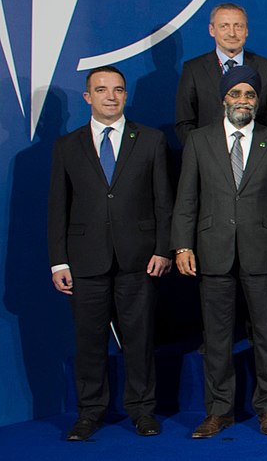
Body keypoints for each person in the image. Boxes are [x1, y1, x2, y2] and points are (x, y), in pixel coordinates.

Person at [49, 66, 173, 441]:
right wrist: (59, 260)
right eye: (101, 90)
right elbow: (58, 207)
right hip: (85, 260)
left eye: (118, 90)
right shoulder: (67, 146)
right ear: (87, 97)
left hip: (138, 258)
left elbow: (163, 201)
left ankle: (142, 410)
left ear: (125, 95)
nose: (110, 96)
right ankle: (90, 412)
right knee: (89, 342)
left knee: (139, 338)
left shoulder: (150, 140)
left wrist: (163, 248)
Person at [171, 66, 267, 437]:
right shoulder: (199, 140)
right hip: (212, 251)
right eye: (236, 94)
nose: (243, 100)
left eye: (249, 95)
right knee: (217, 337)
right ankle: (219, 410)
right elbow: (186, 197)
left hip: (262, 250)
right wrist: (182, 244)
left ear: (257, 102)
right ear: (223, 98)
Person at [175, 3, 267, 143]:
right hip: (209, 158)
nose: (232, 33)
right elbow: (185, 122)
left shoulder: (266, 68)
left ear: (246, 30)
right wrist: (203, 154)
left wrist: (266, 153)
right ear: (211, 30)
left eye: (238, 26)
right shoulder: (194, 69)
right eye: (224, 26)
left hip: (256, 158)